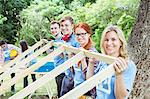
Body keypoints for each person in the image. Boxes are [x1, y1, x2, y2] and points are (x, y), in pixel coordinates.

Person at [86, 25, 137, 99]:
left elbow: (121, 97)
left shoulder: (128, 65)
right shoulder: (103, 61)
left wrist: (118, 75)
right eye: (106, 40)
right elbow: (90, 83)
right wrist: (91, 63)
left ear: (121, 43)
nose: (109, 43)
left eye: (113, 39)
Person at [74, 22, 98, 98]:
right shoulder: (79, 50)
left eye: (83, 34)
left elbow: (90, 80)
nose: (80, 37)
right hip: (78, 91)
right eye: (77, 34)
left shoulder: (92, 53)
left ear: (89, 34)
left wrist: (83, 59)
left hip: (88, 94)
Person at [60, 16, 80, 96]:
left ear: (72, 26)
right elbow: (64, 56)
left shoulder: (76, 40)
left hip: (75, 77)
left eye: (66, 25)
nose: (64, 28)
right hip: (67, 74)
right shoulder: (63, 40)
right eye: (62, 25)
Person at [50, 21, 65, 98]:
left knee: (62, 94)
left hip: (63, 71)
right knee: (59, 92)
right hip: (57, 69)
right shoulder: (55, 41)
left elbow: (65, 57)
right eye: (52, 28)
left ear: (60, 29)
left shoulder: (62, 40)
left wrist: (59, 50)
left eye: (55, 28)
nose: (53, 30)